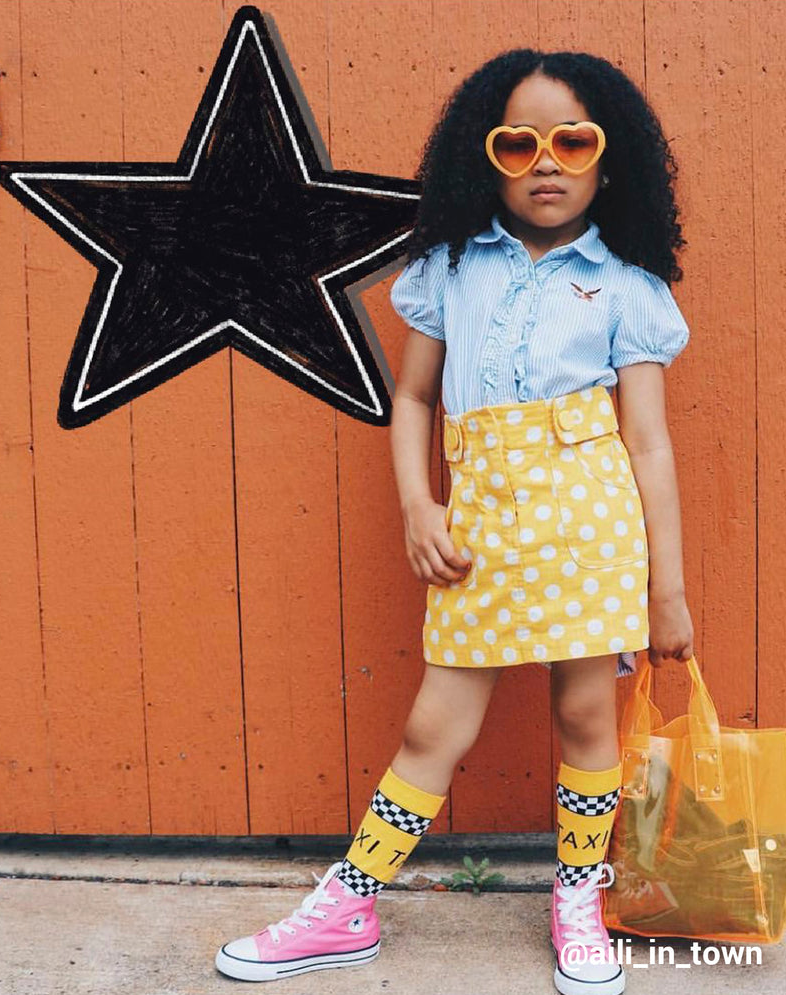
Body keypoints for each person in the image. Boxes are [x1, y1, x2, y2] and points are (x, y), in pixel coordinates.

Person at [215, 47, 695, 993]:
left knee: (585, 710)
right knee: (436, 723)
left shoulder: (629, 284)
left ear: (611, 157)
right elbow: (413, 400)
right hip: (477, 521)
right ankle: (349, 901)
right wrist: (417, 505)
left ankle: (579, 897)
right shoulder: (447, 266)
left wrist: (666, 590)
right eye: (519, 144)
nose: (547, 161)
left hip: (591, 523)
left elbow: (648, 444)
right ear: (488, 157)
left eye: (573, 140)